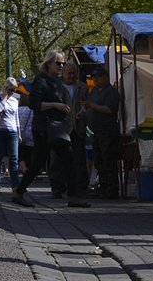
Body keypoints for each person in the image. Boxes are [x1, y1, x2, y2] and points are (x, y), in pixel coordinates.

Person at [10, 49, 89, 209]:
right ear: (48, 64)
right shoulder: (41, 80)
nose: (61, 66)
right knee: (40, 162)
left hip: (57, 127)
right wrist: (55, 105)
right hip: (44, 127)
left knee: (68, 160)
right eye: (58, 63)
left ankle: (74, 196)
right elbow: (34, 104)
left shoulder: (57, 82)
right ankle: (19, 191)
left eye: (62, 63)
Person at [83, 65, 120, 199]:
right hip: (96, 131)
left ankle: (112, 189)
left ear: (105, 77)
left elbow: (110, 109)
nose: (96, 80)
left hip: (108, 131)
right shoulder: (94, 92)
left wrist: (92, 106)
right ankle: (102, 187)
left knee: (108, 160)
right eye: (94, 78)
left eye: (98, 77)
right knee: (98, 161)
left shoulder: (111, 92)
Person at [60, 60, 90, 203]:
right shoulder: (57, 86)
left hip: (78, 129)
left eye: (74, 73)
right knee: (60, 160)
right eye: (69, 73)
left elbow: (87, 105)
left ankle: (80, 189)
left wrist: (83, 112)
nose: (72, 76)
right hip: (62, 129)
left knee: (79, 160)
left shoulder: (82, 87)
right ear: (63, 73)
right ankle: (59, 187)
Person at [0, 77, 21, 191]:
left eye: (14, 90)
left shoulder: (15, 101)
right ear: (5, 88)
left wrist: (19, 132)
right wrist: (5, 97)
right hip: (0, 131)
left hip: (12, 131)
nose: (12, 92)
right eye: (10, 89)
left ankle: (15, 184)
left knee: (14, 158)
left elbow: (16, 117)